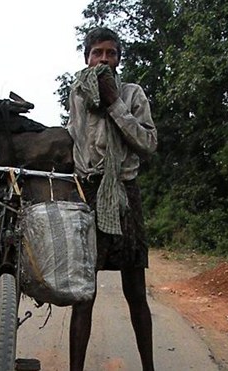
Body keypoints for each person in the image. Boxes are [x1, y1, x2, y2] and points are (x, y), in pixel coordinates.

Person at [66, 27, 157, 370]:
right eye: (97, 53)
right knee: (83, 294)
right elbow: (75, 142)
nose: (103, 59)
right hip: (87, 194)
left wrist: (115, 104)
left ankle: (149, 366)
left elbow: (147, 144)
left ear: (119, 58)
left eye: (110, 53)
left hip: (124, 192)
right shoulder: (76, 94)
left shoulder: (132, 94)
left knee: (135, 292)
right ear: (86, 57)